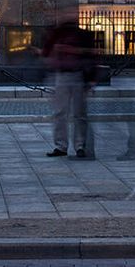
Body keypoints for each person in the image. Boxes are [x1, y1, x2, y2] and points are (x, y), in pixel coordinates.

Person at [41, 10, 96, 158]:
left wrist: (91, 78)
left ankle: (79, 146)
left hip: (78, 75)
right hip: (62, 75)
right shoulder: (57, 34)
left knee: (79, 113)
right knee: (61, 112)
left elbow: (91, 55)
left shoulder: (82, 34)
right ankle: (61, 146)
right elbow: (46, 51)